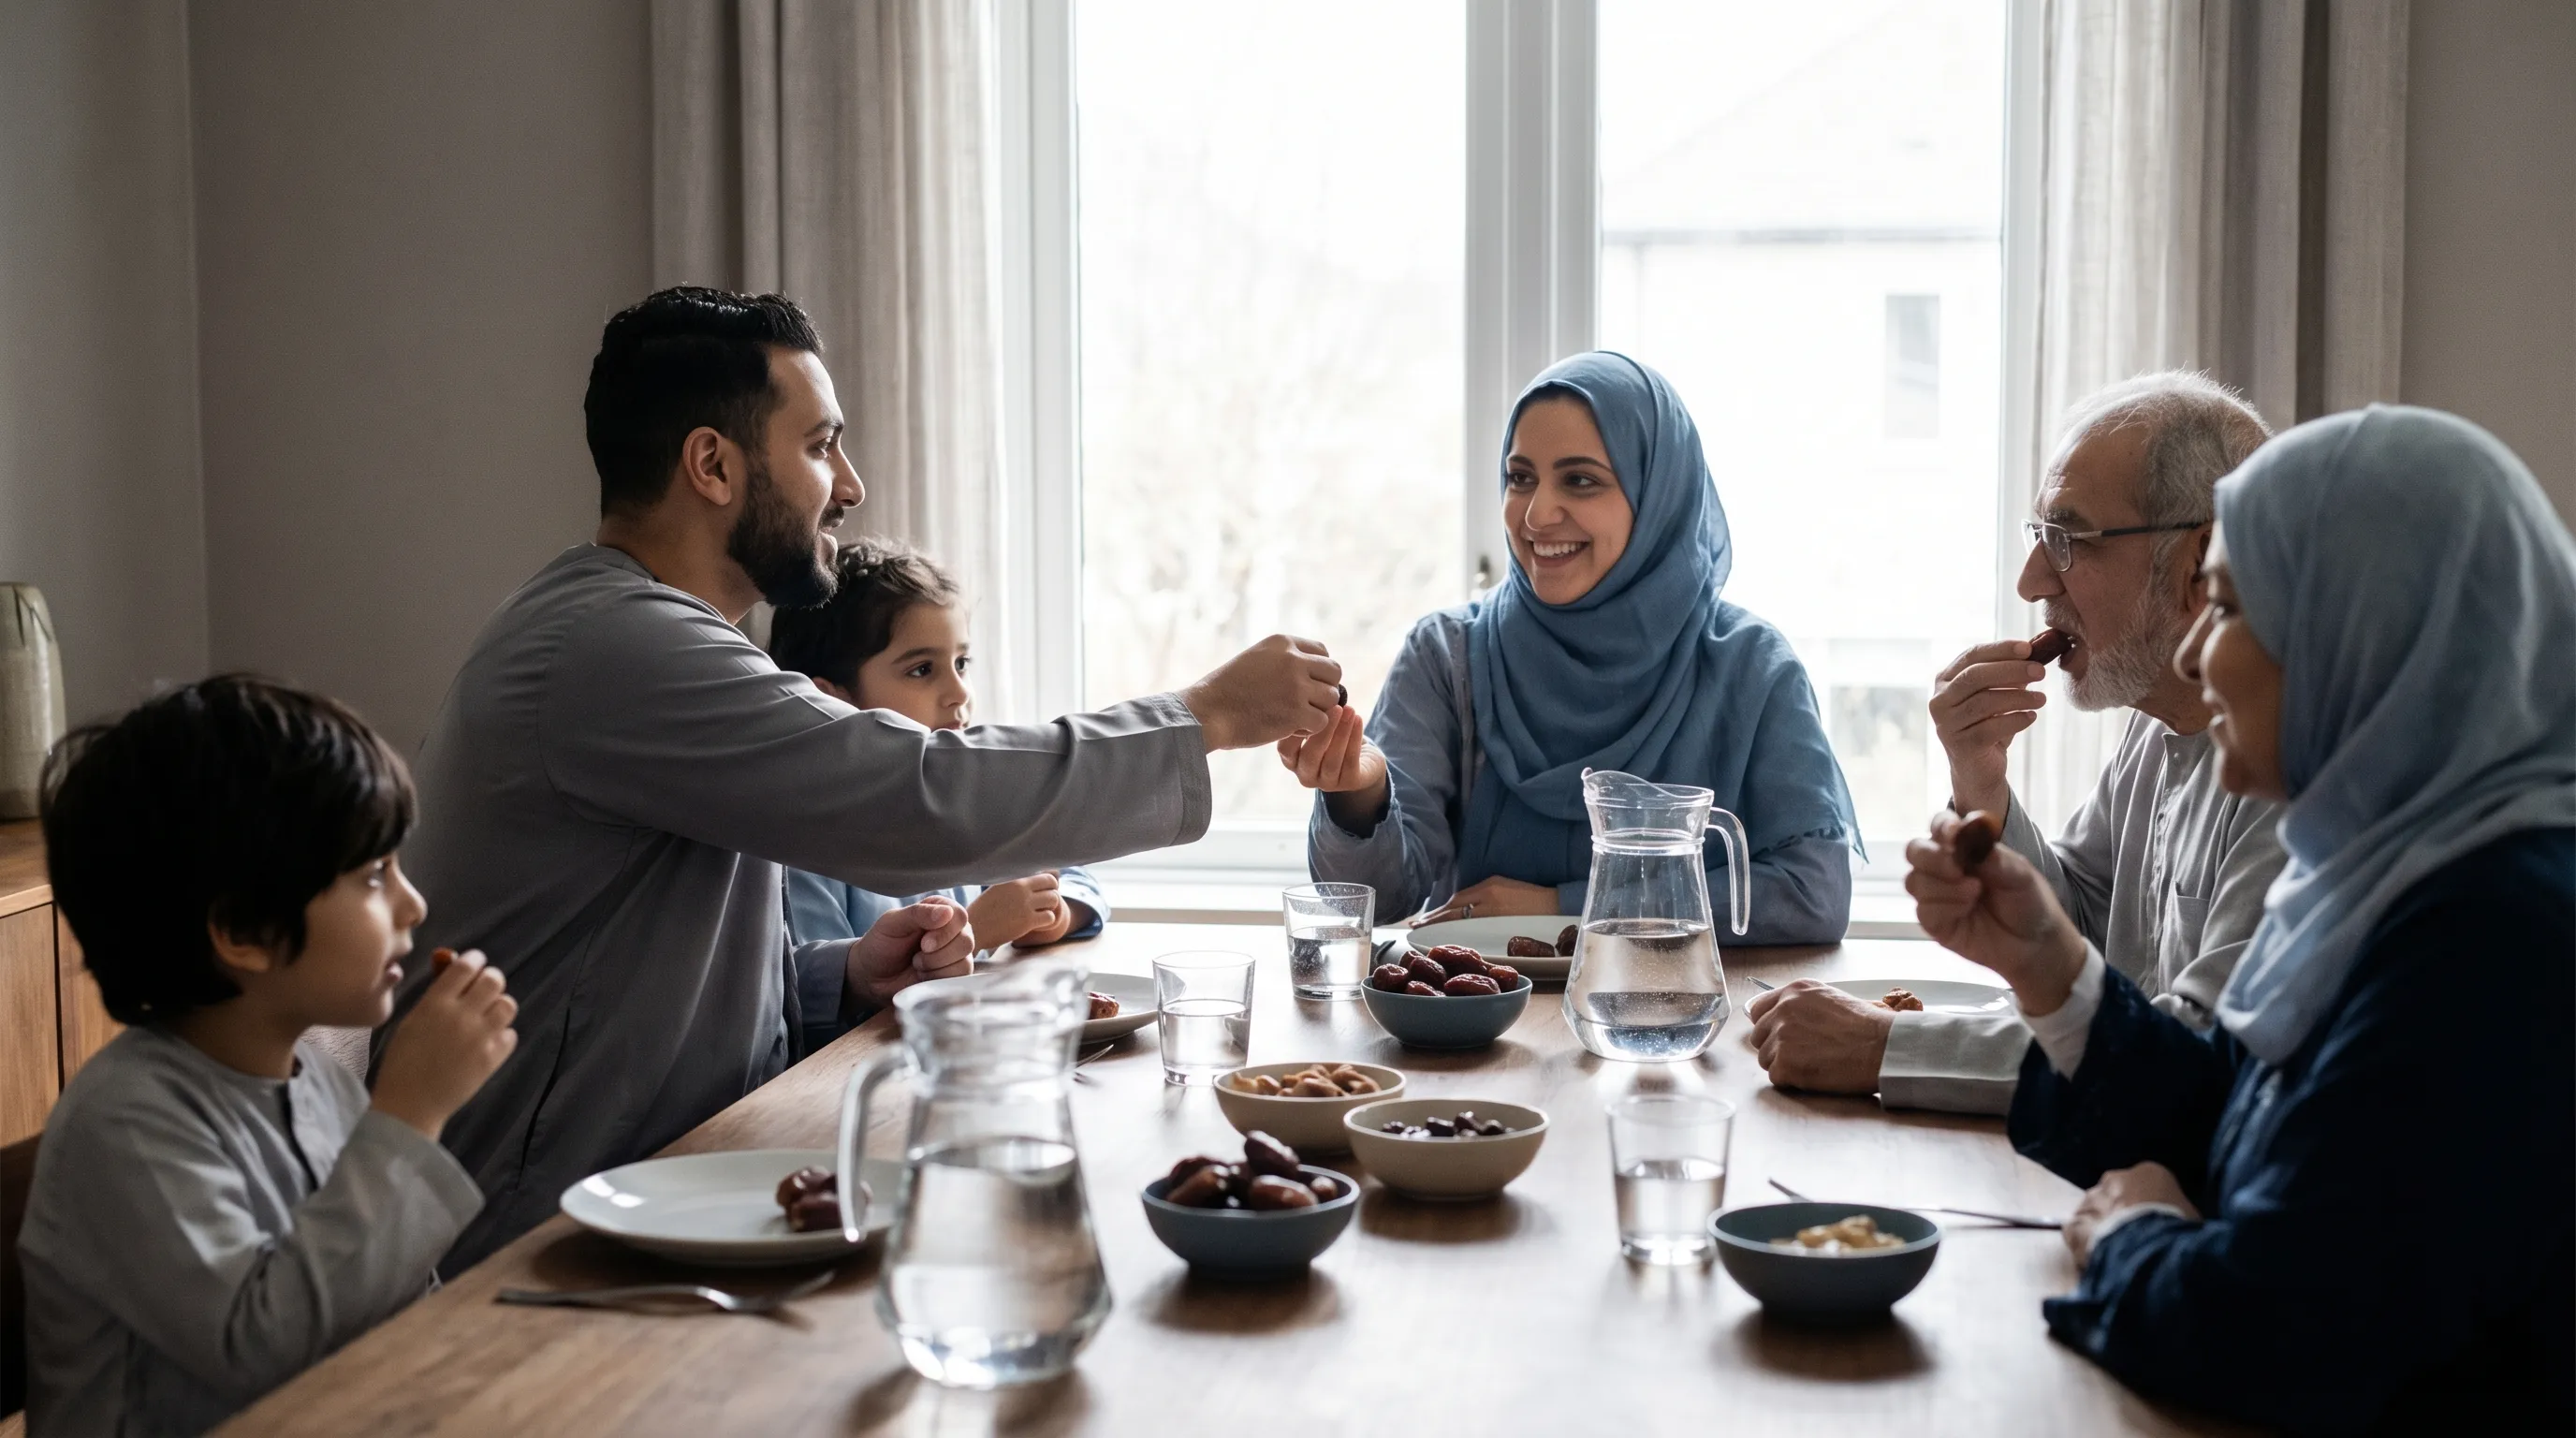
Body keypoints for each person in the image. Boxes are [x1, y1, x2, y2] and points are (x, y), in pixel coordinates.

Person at [393, 287, 1339, 1270]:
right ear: (712, 465)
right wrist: (1205, 715)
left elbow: (628, 981)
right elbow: (917, 795)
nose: (847, 485)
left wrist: (838, 975)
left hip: (677, 1192)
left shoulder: (655, 641)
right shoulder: (616, 647)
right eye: (818, 447)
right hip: (543, 1247)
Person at [1908, 405, 2574, 1432]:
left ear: (2355, 628)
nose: (2190, 659)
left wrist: (2128, 1238)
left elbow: (2274, 1326)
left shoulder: (2493, 937)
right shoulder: (2391, 866)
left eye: (2222, 608)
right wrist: (2053, 972)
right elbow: (2248, 1114)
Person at [1749, 373, 2289, 1113]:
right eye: (2040, 536)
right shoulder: (2152, 722)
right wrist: (1983, 786)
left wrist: (1886, 1048)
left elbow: (2202, 1056)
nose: (2032, 581)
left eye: (2068, 539)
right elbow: (2077, 954)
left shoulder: (2295, 766)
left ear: (2196, 562)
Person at [17, 677, 519, 1436]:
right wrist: (412, 1113)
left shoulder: (314, 1079)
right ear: (243, 932)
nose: (413, 906)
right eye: (375, 876)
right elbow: (265, 1349)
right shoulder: (125, 1123)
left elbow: (393, 1304)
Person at [1282, 351, 1854, 943]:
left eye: (1580, 480)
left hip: (1679, 1023)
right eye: (1520, 477)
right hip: (1482, 1028)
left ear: (1657, 497)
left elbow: (1813, 893)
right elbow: (1379, 901)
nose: (1535, 514)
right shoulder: (1448, 657)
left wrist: (1568, 910)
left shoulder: (1752, 669)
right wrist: (1359, 795)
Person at [768, 538, 1110, 1049]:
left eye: (962, 664)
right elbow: (811, 1010)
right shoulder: (802, 836)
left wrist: (1055, 914)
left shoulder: (961, 791)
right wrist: (978, 928)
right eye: (922, 670)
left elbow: (1076, 873)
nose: (959, 693)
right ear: (828, 699)